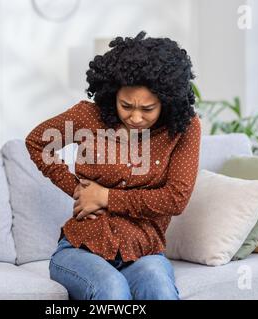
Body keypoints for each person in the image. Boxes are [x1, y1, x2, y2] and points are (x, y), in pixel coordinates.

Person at [25, 31, 201, 300]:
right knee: (111, 289)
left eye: (148, 109)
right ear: (113, 95)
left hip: (143, 252)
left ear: (166, 102)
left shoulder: (184, 128)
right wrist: (79, 189)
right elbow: (38, 142)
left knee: (159, 287)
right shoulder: (88, 117)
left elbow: (175, 199)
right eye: (126, 105)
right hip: (80, 249)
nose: (136, 117)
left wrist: (106, 197)